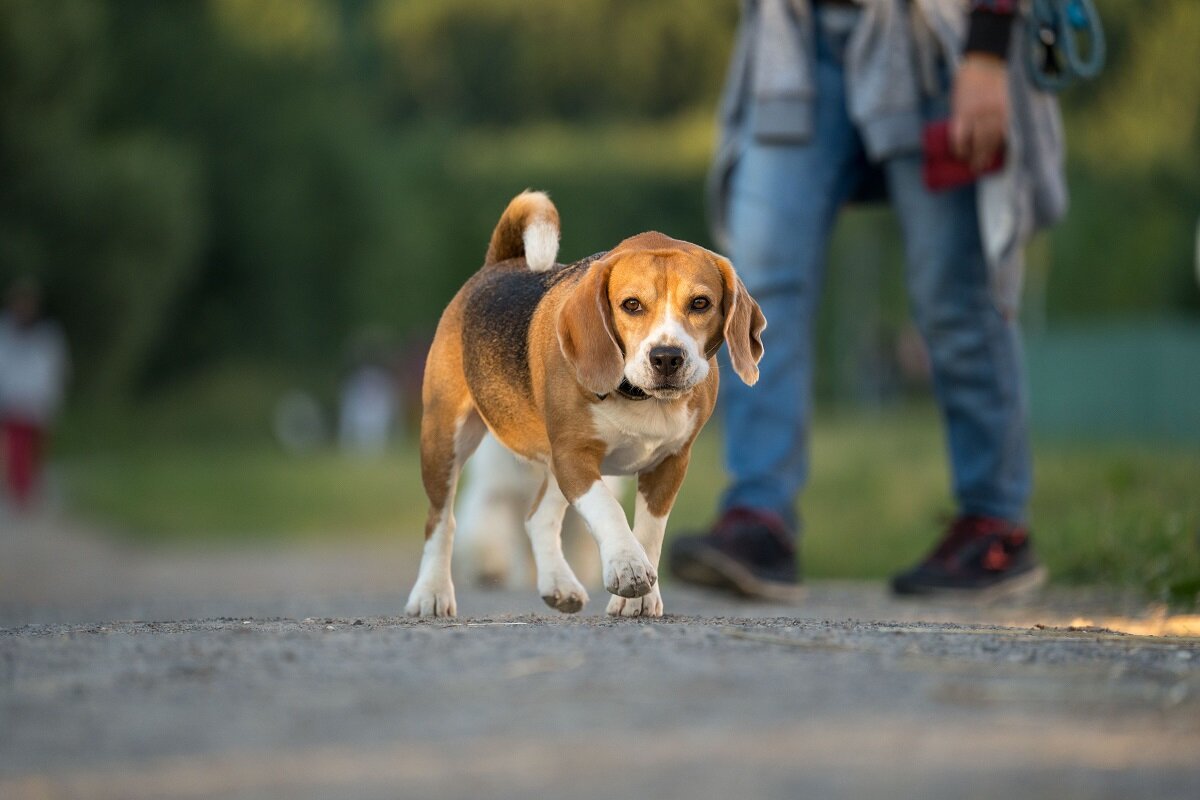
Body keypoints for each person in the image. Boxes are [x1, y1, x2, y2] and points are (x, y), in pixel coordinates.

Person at [669, 0, 1067, 598]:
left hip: (939, 39)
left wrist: (988, 50)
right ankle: (759, 519)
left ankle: (995, 528)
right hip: (797, 42)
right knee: (758, 280)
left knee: (954, 291)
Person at [0, 279, 70, 512]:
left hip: (38, 404)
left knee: (35, 453)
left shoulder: (47, 335)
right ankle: (19, 493)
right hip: (12, 402)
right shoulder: (5, 333)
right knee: (15, 451)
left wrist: (53, 399)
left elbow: (57, 370)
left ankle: (30, 489)